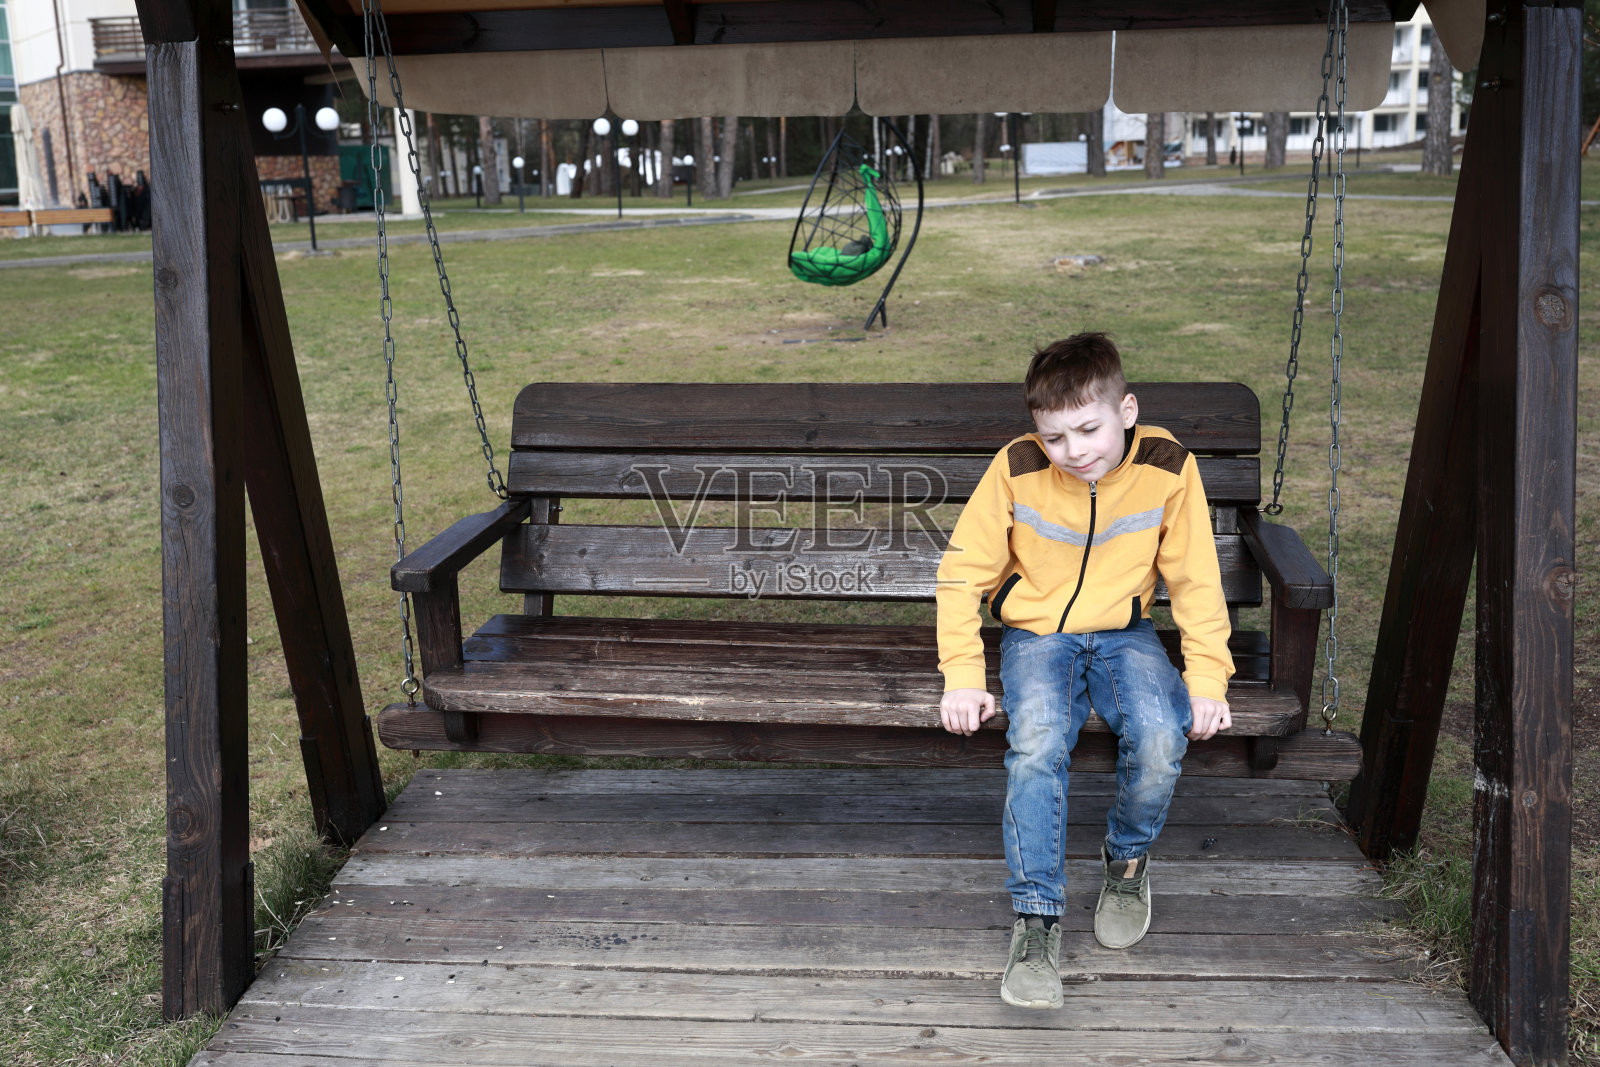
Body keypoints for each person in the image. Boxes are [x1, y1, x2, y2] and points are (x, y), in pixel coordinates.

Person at [935, 332, 1234, 1010]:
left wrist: (1209, 680)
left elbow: (1195, 579)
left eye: (1088, 429)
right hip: (1037, 635)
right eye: (1056, 437)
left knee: (1163, 733)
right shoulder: (1016, 466)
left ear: (1126, 409)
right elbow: (960, 576)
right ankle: (1036, 920)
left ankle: (1126, 862)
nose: (1073, 452)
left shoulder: (1169, 466)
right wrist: (962, 673)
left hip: (1125, 631)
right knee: (1037, 742)